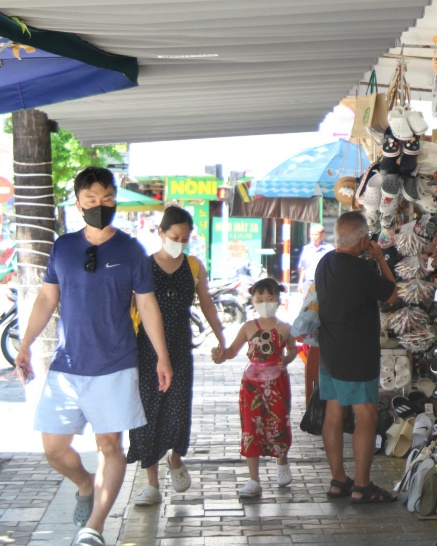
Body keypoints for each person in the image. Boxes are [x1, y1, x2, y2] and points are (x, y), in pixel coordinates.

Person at [14, 167, 172, 546]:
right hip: (67, 366)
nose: (99, 205)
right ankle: (85, 483)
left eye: (106, 198)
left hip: (115, 364)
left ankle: (95, 528)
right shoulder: (63, 247)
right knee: (53, 448)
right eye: (91, 199)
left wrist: (161, 357)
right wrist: (24, 346)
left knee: (109, 446)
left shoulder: (131, 250)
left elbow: (148, 307)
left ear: (114, 198)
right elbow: (47, 299)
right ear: (78, 201)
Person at [127, 206, 227, 506]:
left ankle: (176, 457)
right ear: (160, 233)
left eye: (185, 238)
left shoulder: (194, 266)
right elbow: (130, 307)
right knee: (146, 412)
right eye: (174, 236)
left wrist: (222, 337)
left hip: (181, 346)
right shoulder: (143, 266)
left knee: (178, 407)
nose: (180, 242)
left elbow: (207, 304)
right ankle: (152, 483)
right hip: (146, 348)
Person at [314, 211, 398, 503]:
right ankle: (362, 486)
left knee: (334, 413)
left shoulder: (324, 263)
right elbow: (391, 294)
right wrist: (379, 259)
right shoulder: (362, 269)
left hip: (330, 352)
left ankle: (338, 481)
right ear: (363, 240)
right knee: (366, 415)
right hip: (357, 355)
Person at [211, 278, 297, 497]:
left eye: (270, 298)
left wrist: (285, 361)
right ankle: (253, 479)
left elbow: (293, 351)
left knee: (279, 421)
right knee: (251, 426)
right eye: (260, 299)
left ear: (278, 300)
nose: (265, 302)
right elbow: (231, 352)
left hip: (278, 383)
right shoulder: (248, 327)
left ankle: (282, 461)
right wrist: (220, 356)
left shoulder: (286, 328)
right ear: (253, 300)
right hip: (251, 385)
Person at [297, 224, 333, 297]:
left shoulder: (329, 249)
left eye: (316, 234)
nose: (314, 237)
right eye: (312, 234)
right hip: (309, 282)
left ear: (322, 235)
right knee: (308, 306)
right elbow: (303, 267)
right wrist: (300, 282)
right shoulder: (306, 249)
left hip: (324, 282)